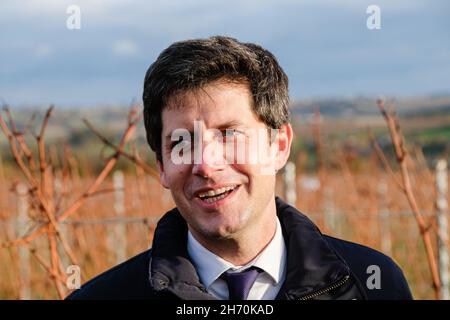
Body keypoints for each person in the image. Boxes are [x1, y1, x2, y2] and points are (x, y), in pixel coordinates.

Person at [67, 36, 412, 300]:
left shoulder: (374, 286)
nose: (205, 164)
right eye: (181, 143)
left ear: (278, 146)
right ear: (161, 165)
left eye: (229, 135)